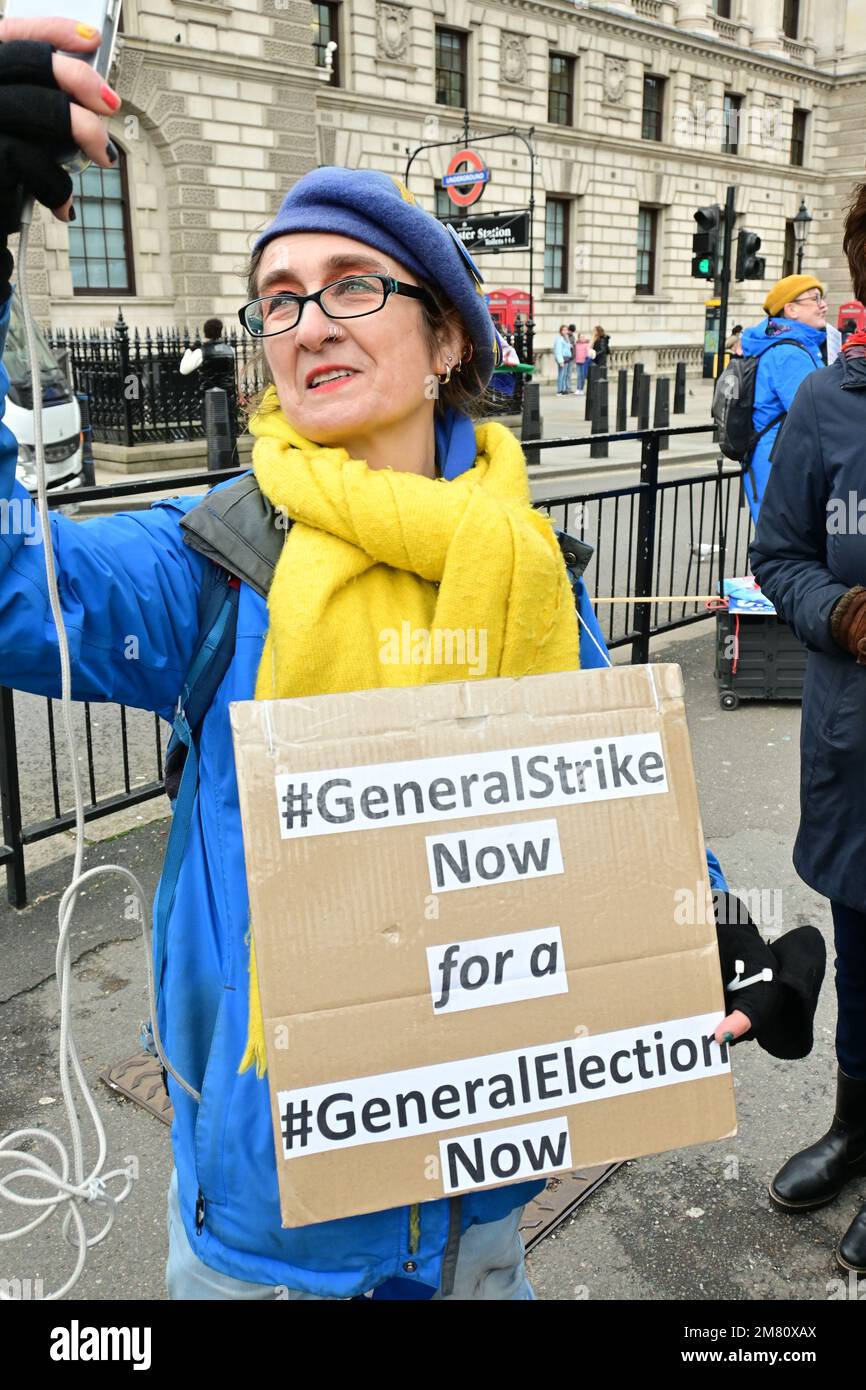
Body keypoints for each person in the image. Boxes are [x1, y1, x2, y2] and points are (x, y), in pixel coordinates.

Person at [0, 14, 826, 1302]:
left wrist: (729, 931)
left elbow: (606, 808)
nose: (308, 322)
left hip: (476, 1210)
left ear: (448, 339)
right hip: (271, 1232)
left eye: (350, 285)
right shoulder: (211, 554)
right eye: (279, 300)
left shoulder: (527, 565)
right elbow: (9, 585)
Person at [749, 188, 866, 1279]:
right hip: (854, 758)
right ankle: (852, 1132)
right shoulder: (828, 406)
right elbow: (774, 552)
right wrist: (836, 611)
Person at [738, 275, 826, 524]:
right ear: (791, 309)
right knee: (784, 548)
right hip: (781, 464)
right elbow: (814, 414)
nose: (823, 305)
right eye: (815, 298)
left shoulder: (790, 344)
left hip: (776, 459)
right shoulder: (788, 352)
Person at [179, 318, 238, 464]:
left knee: (214, 434)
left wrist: (188, 351)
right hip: (228, 398)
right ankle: (233, 467)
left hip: (210, 399)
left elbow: (184, 370)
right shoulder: (230, 350)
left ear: (205, 331)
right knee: (230, 434)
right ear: (220, 331)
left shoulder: (201, 352)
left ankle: (217, 468)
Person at [553, 323, 572, 394]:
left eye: (566, 329)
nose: (565, 331)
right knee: (561, 374)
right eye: (563, 330)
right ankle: (560, 390)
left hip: (567, 358)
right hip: (562, 359)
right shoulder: (559, 339)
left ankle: (563, 389)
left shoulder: (566, 338)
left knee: (565, 374)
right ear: (561, 331)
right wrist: (561, 361)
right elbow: (558, 350)